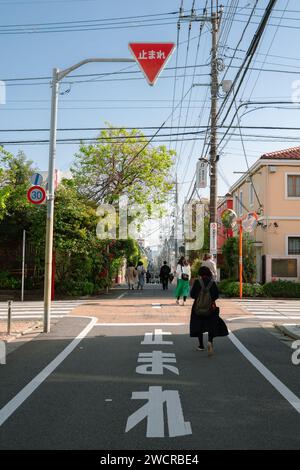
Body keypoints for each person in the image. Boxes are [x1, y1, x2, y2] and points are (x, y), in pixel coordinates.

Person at [190, 266, 228, 356]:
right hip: (210, 308)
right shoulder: (212, 283)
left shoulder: (197, 282)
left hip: (198, 308)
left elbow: (192, 295)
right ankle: (210, 342)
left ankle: (201, 345)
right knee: (212, 324)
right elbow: (216, 295)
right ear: (208, 273)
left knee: (198, 325)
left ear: (200, 273)